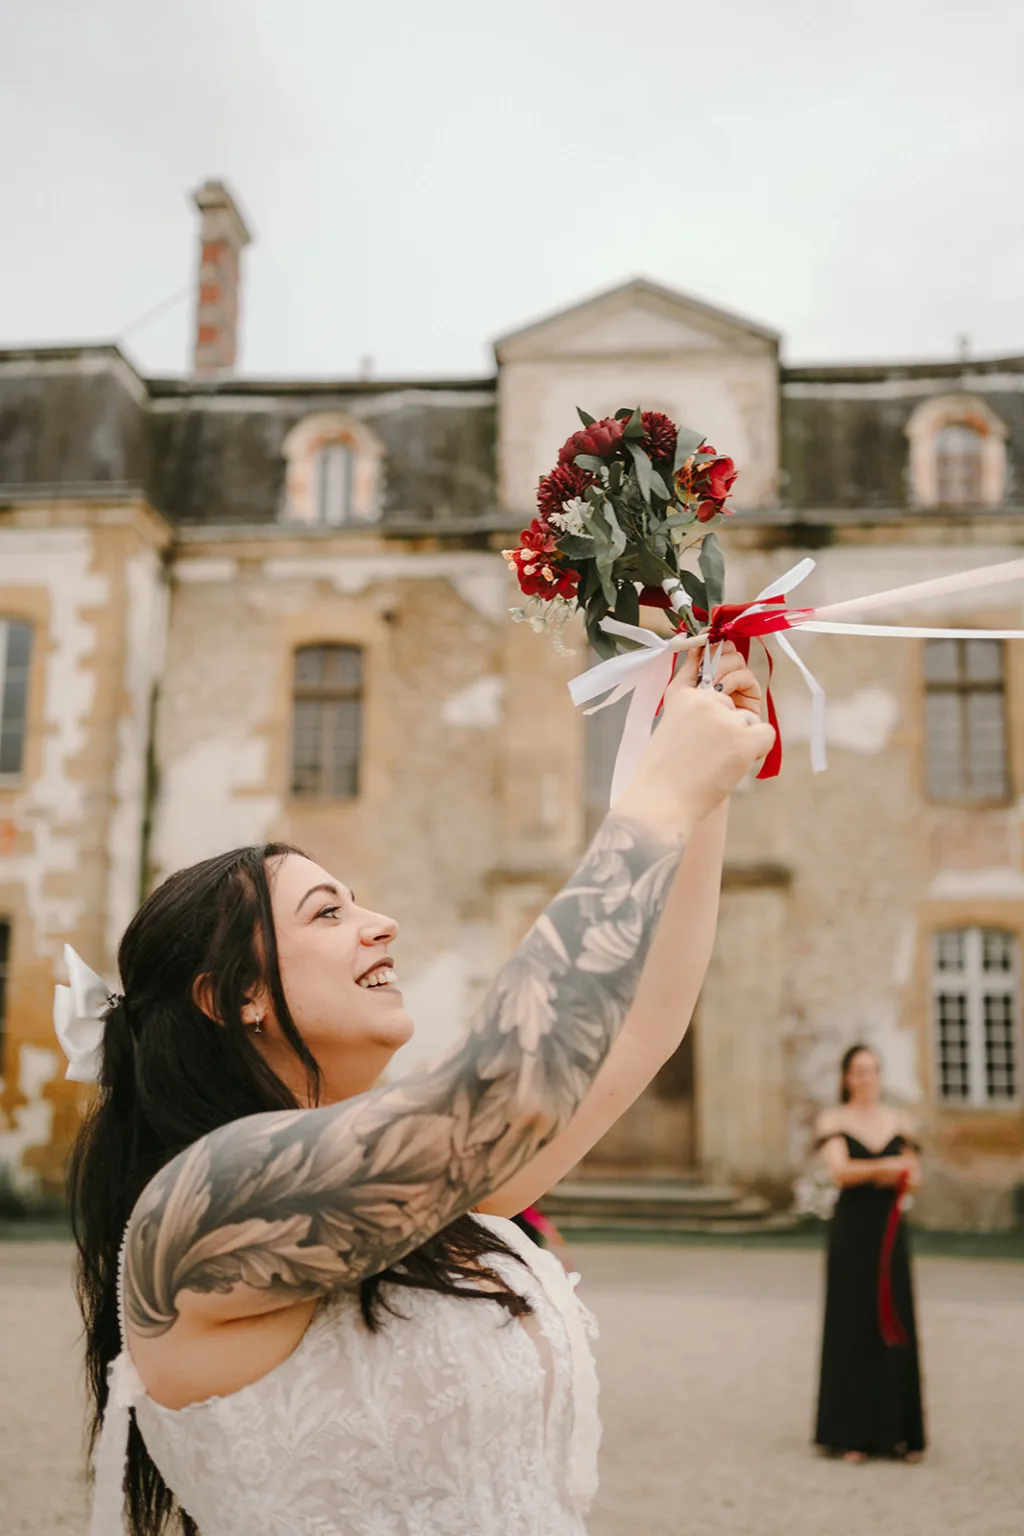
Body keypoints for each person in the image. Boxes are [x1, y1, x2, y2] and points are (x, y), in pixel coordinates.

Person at [62, 641, 773, 1536]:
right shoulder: (199, 1212)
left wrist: (705, 797)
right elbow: (504, 1094)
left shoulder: (440, 1189)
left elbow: (643, 1026)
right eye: (329, 913)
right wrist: (655, 797)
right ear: (237, 994)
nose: (380, 924)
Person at [814, 1044, 926, 1463]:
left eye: (873, 1071)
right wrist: (887, 1168)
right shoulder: (834, 1119)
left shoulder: (899, 1120)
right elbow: (841, 1172)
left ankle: (899, 1433)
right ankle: (850, 1434)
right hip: (852, 1233)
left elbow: (915, 1177)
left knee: (894, 1320)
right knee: (852, 1322)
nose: (866, 1079)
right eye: (859, 1072)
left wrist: (887, 1171)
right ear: (847, 1077)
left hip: (890, 1233)